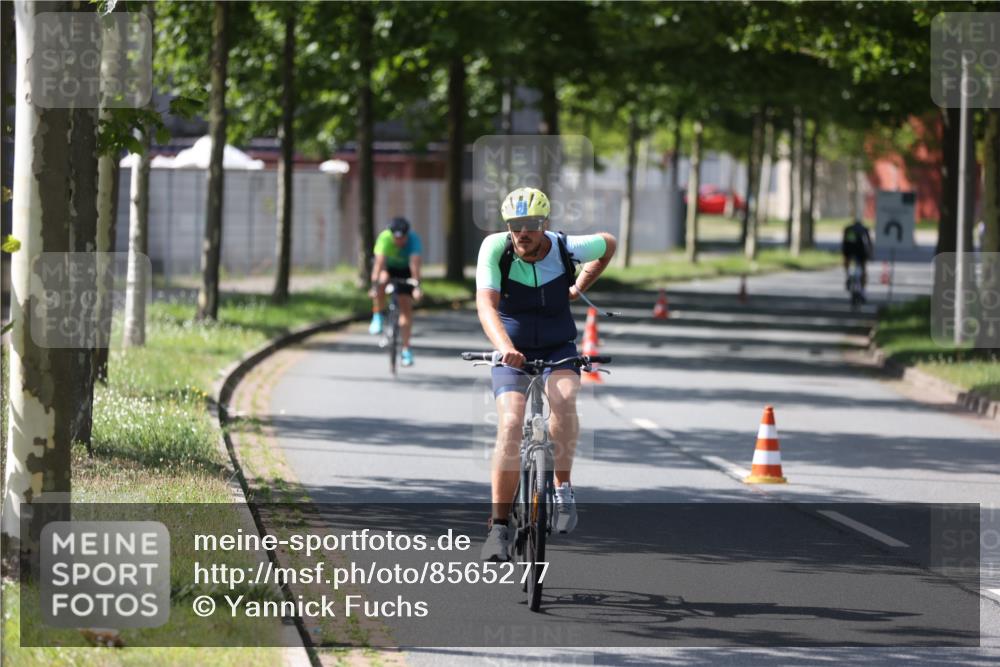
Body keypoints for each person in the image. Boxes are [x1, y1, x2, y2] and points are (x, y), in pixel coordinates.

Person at [476, 187, 616, 562]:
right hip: (512, 349)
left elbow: (608, 243)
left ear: (546, 223)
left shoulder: (566, 247)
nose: (523, 232)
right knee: (510, 423)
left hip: (558, 347)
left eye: (532, 224)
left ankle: (563, 488)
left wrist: (577, 287)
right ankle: (499, 527)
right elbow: (486, 306)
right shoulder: (495, 249)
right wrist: (505, 347)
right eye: (516, 225)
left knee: (565, 399)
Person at [369, 217, 423, 366]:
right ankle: (378, 316)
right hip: (388, 268)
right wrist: (374, 286)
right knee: (381, 281)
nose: (399, 241)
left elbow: (415, 265)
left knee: (406, 309)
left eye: (402, 238)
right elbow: (379, 264)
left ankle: (406, 349)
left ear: (407, 235)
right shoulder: (384, 238)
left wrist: (417, 287)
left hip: (405, 271)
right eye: (396, 238)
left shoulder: (414, 240)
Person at [841, 218, 873, 299]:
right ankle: (863, 290)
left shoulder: (848, 229)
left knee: (847, 260)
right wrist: (870, 254)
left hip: (849, 250)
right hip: (861, 251)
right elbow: (869, 243)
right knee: (863, 269)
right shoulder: (865, 229)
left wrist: (844, 253)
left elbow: (844, 243)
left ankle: (848, 275)